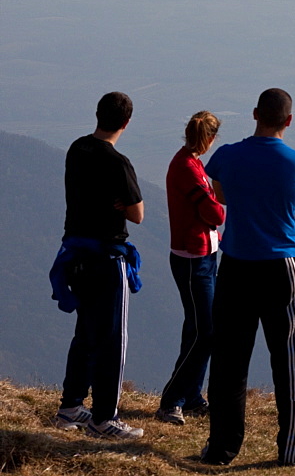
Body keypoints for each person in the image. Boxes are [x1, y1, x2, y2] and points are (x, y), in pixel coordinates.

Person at [202, 88, 295, 466]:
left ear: (255, 114)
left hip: (236, 263)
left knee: (228, 360)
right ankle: (293, 449)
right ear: (289, 120)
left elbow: (221, 196)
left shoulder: (226, 157)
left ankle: (221, 449)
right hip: (282, 267)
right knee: (289, 358)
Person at [50, 92, 144, 439]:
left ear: (97, 115)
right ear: (126, 122)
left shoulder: (78, 149)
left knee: (85, 333)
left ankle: (70, 407)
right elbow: (138, 213)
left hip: (77, 255)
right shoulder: (116, 161)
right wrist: (120, 205)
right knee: (112, 339)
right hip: (107, 257)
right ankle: (105, 418)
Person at [156, 111, 225, 426]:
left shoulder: (191, 163)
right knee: (205, 331)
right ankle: (172, 401)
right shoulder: (187, 167)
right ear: (209, 139)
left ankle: (193, 397)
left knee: (197, 328)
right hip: (192, 259)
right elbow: (214, 212)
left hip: (203, 254)